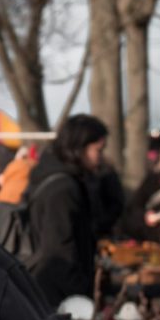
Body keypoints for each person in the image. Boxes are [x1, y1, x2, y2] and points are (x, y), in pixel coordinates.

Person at [27, 114, 107, 307]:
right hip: (59, 297)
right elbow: (59, 251)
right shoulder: (63, 189)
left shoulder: (58, 179)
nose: (101, 157)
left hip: (51, 289)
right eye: (98, 149)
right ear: (79, 148)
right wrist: (82, 294)